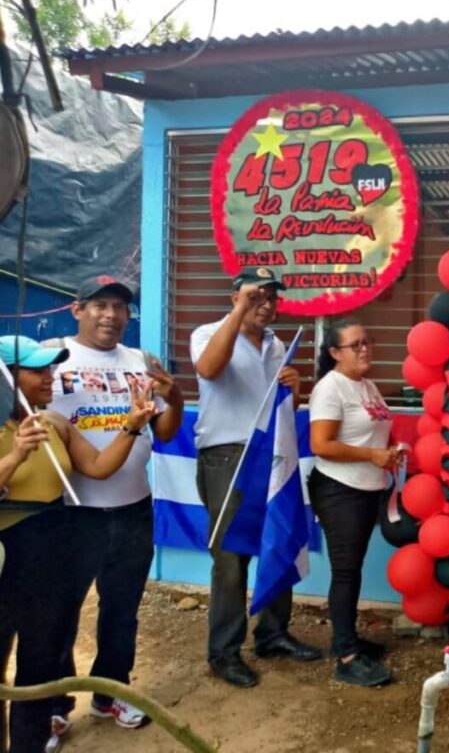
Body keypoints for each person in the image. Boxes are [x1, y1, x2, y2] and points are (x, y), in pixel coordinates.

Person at [42, 276, 184, 746]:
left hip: (132, 507)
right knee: (61, 611)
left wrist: (175, 396)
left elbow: (163, 433)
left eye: (120, 307)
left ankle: (111, 692)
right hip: (69, 512)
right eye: (100, 306)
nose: (111, 315)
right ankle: (54, 705)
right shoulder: (51, 356)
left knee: (122, 609)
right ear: (77, 309)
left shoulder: (142, 362)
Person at [0, 335, 156, 753]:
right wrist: (14, 457)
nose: (50, 378)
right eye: (37, 371)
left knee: (38, 668)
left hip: (48, 558)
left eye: (50, 369)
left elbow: (99, 467)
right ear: (5, 378)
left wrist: (131, 425)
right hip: (4, 560)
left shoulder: (53, 422)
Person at [190, 266, 322, 688]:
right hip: (227, 456)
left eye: (272, 299)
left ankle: (273, 633)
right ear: (235, 299)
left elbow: (279, 408)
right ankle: (224, 652)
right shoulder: (207, 333)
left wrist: (296, 385)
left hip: (271, 457)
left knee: (277, 542)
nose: (266, 305)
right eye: (255, 297)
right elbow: (210, 369)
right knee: (230, 560)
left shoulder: (276, 343)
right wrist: (238, 314)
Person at [307, 319, 402, 687]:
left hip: (366, 489)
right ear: (334, 353)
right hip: (339, 490)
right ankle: (347, 656)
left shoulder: (368, 385)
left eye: (368, 341)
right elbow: (321, 445)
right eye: (355, 345)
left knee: (353, 568)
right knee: (345, 571)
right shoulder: (330, 388)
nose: (365, 349)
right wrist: (371, 456)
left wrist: (387, 454)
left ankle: (348, 638)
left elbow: (374, 433)